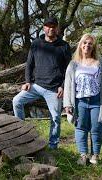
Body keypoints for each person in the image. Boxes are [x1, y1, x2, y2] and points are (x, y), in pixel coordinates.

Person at [12, 17, 71, 149]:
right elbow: (29, 64)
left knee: (55, 118)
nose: (50, 29)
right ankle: (22, 135)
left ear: (57, 29)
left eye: (53, 26)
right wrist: (27, 82)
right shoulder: (36, 43)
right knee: (16, 101)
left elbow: (69, 70)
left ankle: (53, 146)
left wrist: (62, 86)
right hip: (36, 86)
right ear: (44, 28)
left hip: (54, 90)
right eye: (48, 26)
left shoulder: (64, 46)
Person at [63, 34, 102, 165]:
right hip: (80, 102)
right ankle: (83, 155)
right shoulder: (73, 64)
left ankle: (95, 155)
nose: (87, 45)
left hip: (97, 101)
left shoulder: (100, 62)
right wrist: (67, 104)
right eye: (84, 43)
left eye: (90, 43)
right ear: (80, 45)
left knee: (97, 128)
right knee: (80, 127)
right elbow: (67, 84)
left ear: (93, 46)